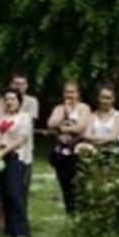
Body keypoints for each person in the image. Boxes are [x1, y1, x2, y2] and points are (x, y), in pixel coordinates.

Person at [0, 89, 33, 237]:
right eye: (7, 99)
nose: (9, 102)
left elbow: (21, 139)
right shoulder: (0, 118)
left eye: (13, 99)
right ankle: (10, 229)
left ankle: (22, 230)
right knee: (3, 194)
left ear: (19, 102)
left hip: (15, 157)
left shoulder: (24, 118)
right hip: (0, 157)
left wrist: (3, 152)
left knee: (15, 193)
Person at [47, 82, 92, 215]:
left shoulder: (84, 108)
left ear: (78, 94)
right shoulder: (59, 108)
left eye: (72, 92)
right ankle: (70, 213)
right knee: (64, 184)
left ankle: (82, 213)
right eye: (67, 92)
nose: (69, 95)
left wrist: (62, 127)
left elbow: (80, 128)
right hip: (61, 152)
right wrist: (65, 111)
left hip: (77, 150)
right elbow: (51, 123)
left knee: (78, 185)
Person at [83, 86, 119, 151]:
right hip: (94, 152)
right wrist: (104, 138)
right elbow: (86, 135)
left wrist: (96, 143)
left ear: (113, 99)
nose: (105, 101)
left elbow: (113, 138)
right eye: (103, 98)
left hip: (112, 151)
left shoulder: (117, 116)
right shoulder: (92, 115)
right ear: (98, 98)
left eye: (108, 98)